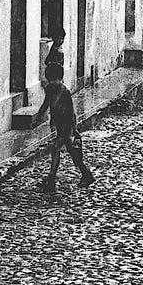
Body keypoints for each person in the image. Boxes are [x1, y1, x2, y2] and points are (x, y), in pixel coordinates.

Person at [32, 62, 94, 192]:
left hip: (66, 124)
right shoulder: (50, 89)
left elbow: (71, 112)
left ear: (60, 78)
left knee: (56, 149)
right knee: (72, 152)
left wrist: (74, 129)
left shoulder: (65, 92)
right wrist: (38, 116)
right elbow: (46, 104)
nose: (53, 82)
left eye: (55, 79)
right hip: (58, 123)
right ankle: (85, 174)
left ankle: (51, 180)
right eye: (51, 79)